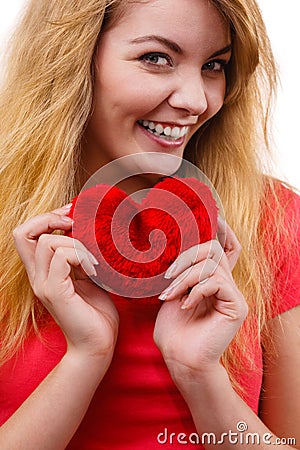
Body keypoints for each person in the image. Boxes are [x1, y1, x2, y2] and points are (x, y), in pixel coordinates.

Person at [0, 0, 299, 448]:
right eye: (156, 58)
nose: (197, 100)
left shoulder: (273, 219)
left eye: (215, 65)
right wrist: (87, 357)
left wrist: (198, 374)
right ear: (73, 61)